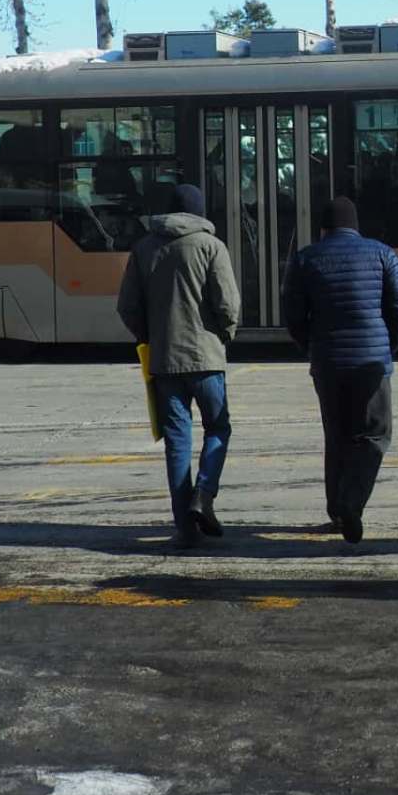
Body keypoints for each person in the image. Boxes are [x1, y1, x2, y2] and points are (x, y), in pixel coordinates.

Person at [116, 183, 241, 550]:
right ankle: (204, 493)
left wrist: (150, 336)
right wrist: (223, 336)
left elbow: (127, 307)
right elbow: (228, 305)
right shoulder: (211, 246)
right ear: (200, 213)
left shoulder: (144, 248)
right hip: (206, 360)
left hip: (164, 361)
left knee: (176, 441)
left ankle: (184, 526)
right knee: (218, 427)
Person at [283, 195, 398, 544]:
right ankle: (351, 502)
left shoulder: (306, 258)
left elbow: (293, 314)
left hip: (327, 362)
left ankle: (338, 512)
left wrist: (309, 346)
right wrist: (388, 346)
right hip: (371, 363)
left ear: (323, 229)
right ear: (356, 227)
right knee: (372, 435)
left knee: (336, 436)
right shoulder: (383, 253)